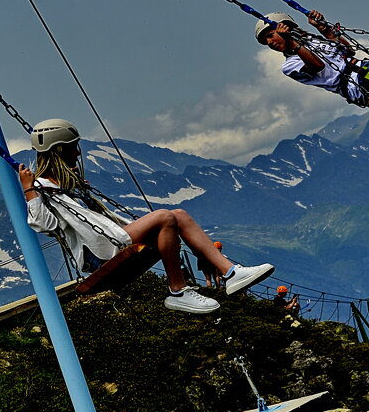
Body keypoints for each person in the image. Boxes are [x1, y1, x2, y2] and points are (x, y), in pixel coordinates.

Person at [20, 119, 275, 314]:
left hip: (112, 240)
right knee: (165, 217)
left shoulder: (63, 185)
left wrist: (77, 189)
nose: (77, 153)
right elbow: (43, 224)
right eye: (73, 149)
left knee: (179, 215)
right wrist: (29, 190)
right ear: (60, 150)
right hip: (101, 254)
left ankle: (231, 272)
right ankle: (177, 291)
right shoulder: (41, 186)